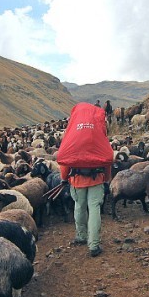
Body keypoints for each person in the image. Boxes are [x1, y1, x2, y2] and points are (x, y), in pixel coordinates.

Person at [57, 103, 114, 257]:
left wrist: (64, 178)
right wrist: (106, 179)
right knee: (94, 209)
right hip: (96, 179)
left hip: (77, 180)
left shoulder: (72, 132)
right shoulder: (99, 130)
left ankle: (81, 236)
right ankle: (94, 245)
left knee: (79, 207)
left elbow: (66, 158)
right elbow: (106, 157)